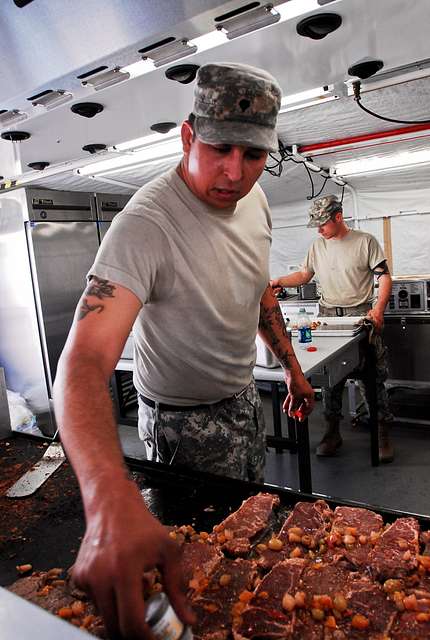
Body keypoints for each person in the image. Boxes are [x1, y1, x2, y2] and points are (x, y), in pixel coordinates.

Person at [53, 62, 314, 639]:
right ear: (188, 135)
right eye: (220, 149)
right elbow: (83, 362)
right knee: (189, 575)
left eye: (253, 156)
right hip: (179, 427)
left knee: (243, 554)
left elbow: (259, 288)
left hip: (244, 405)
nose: (234, 173)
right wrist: (105, 497)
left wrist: (293, 371)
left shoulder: (257, 201)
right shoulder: (146, 224)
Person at [271, 194, 394, 463]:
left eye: (323, 223)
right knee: (331, 380)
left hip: (361, 318)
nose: (319, 229)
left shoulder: (365, 242)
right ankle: (332, 432)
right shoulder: (318, 246)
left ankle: (381, 433)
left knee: (371, 378)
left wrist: (379, 309)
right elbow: (305, 275)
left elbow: (383, 275)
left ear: (338, 217)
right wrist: (279, 280)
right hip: (327, 317)